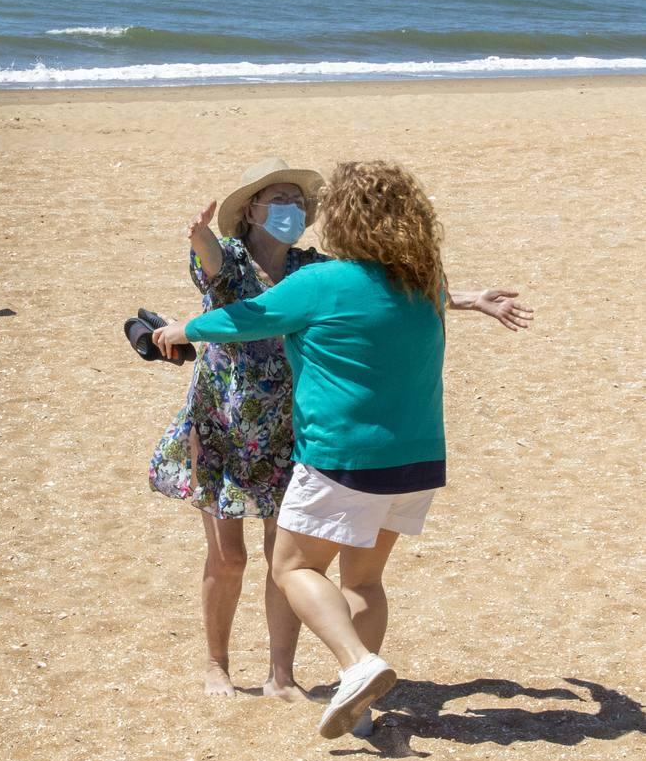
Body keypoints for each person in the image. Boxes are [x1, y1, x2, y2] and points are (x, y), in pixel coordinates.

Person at [149, 158, 532, 705]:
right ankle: (335, 700)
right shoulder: (399, 279)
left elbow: (268, 313)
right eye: (276, 200)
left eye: (300, 202)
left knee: (290, 563)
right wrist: (198, 236)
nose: (294, 211)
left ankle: (324, 670)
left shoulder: (318, 274)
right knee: (335, 575)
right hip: (277, 433)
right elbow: (242, 293)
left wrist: (182, 329)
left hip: (318, 444)